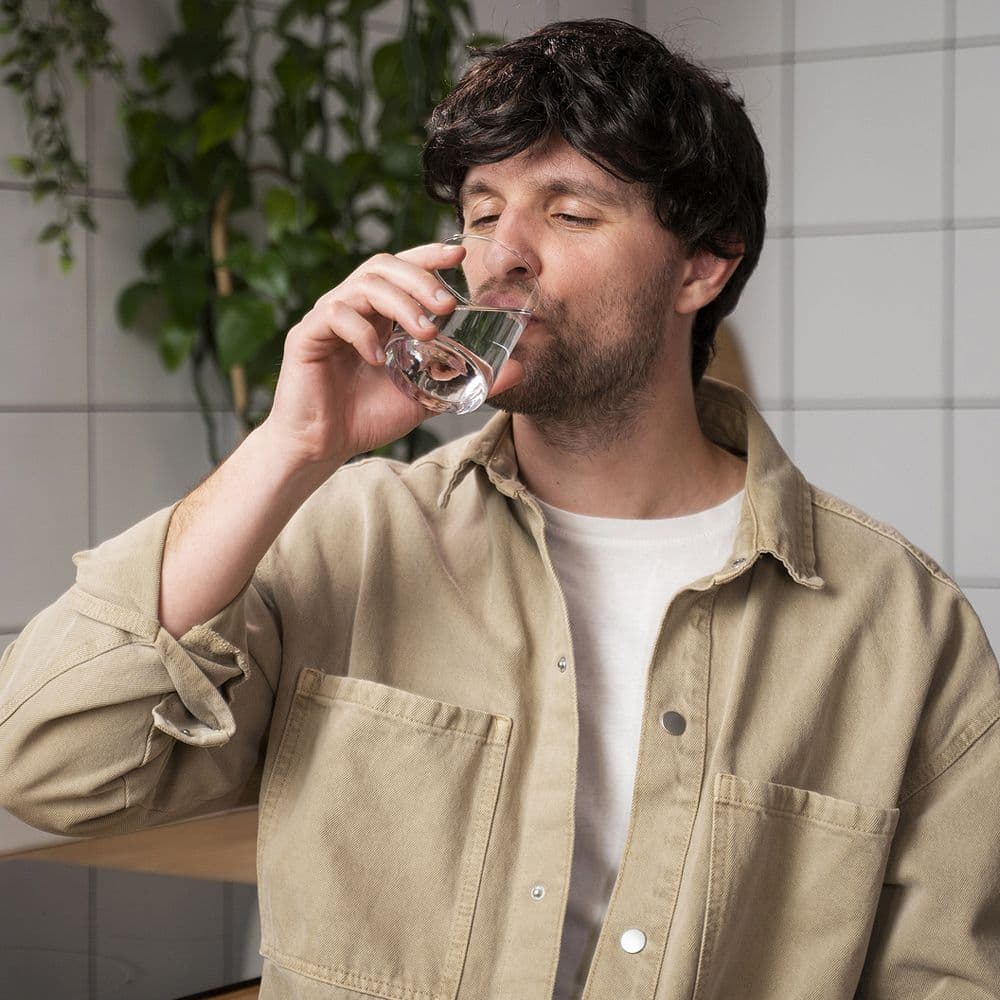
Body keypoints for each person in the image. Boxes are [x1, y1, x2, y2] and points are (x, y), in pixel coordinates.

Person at [1, 17, 998, 1000]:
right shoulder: (350, 536)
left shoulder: (900, 626)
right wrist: (289, 445)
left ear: (702, 264)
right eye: (481, 212)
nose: (501, 256)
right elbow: (51, 765)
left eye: (568, 212)